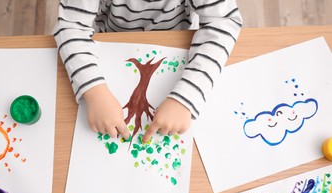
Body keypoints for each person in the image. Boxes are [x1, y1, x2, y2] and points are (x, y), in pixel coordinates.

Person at [54, 0, 242, 143]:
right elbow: (71, 26)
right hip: (111, 41)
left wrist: (186, 98)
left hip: (176, 40)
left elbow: (224, 21)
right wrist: (94, 91)